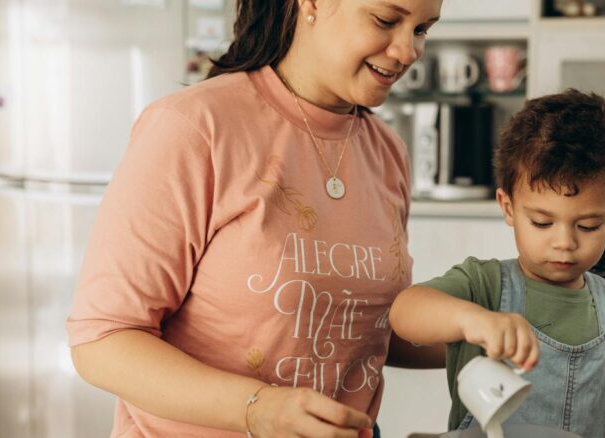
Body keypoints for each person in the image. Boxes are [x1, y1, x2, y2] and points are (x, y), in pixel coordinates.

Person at [66, 1, 443, 437]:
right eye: (386, 20)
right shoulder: (194, 127)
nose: (408, 50)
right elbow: (102, 340)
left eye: (422, 30)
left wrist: (501, 336)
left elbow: (357, 327)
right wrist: (257, 408)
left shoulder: (385, 151)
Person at [388, 89, 605, 438]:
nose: (564, 243)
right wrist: (471, 320)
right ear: (507, 207)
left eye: (588, 226)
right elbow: (404, 313)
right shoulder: (485, 285)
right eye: (541, 222)